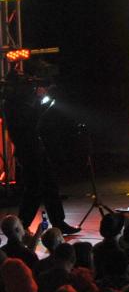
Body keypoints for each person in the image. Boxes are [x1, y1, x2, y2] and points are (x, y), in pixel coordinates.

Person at [1, 72, 80, 235]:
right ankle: (22, 225)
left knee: (50, 185)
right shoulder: (12, 103)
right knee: (34, 188)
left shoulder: (19, 101)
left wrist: (42, 99)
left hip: (35, 147)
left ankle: (58, 222)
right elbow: (31, 122)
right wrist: (39, 99)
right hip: (28, 150)